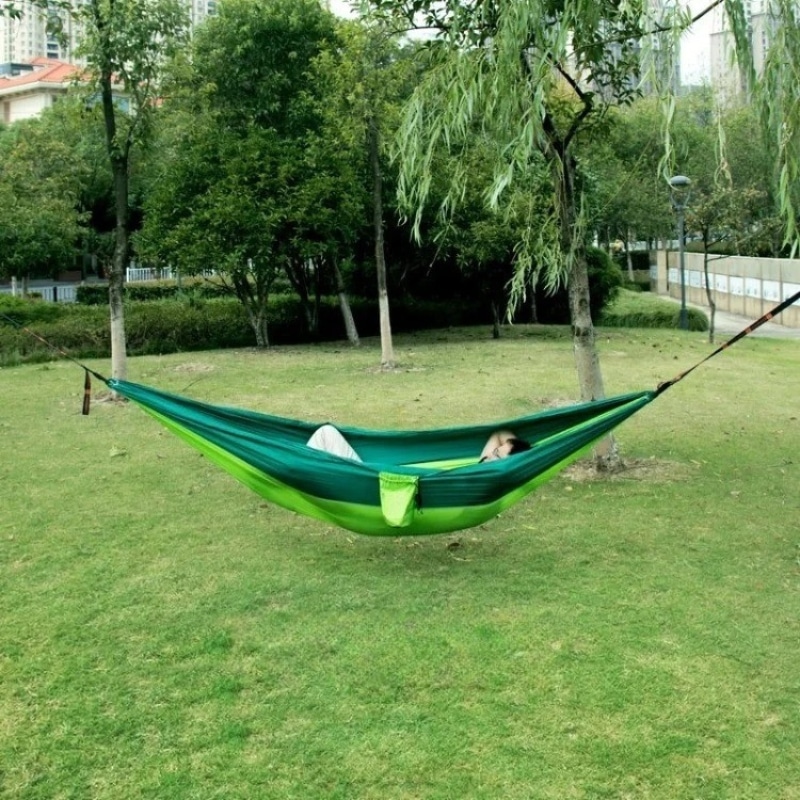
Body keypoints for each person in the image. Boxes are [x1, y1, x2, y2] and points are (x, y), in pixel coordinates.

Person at [307, 424, 530, 464]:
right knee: (326, 433)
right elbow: (500, 434)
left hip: (371, 485)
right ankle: (299, 468)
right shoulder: (485, 463)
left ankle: (297, 469)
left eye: (497, 455)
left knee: (325, 434)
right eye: (495, 451)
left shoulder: (485, 477)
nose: (490, 454)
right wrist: (507, 451)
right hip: (370, 476)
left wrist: (514, 458)